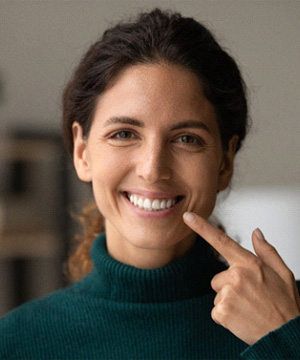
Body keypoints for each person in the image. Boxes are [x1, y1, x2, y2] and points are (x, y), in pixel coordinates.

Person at [0, 8, 299, 359]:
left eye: (187, 139)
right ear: (82, 152)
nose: (153, 169)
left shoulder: (288, 323)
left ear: (225, 161)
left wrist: (286, 340)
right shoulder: (15, 344)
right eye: (124, 134)